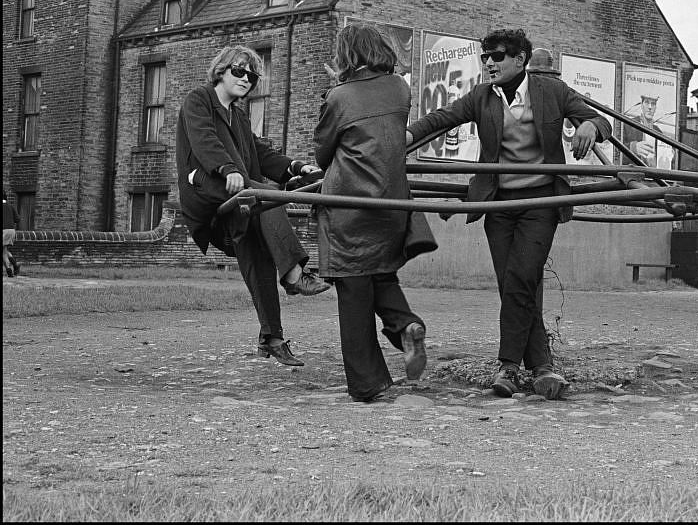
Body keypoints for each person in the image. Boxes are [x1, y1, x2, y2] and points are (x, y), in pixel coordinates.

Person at [406, 28, 612, 400]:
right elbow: (441, 119)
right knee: (513, 284)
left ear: (521, 59)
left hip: (540, 203)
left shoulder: (552, 91)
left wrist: (588, 125)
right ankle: (543, 368)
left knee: (521, 276)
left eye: (497, 56)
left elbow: (602, 122)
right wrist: (404, 137)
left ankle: (509, 366)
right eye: (485, 56)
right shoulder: (481, 97)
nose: (489, 63)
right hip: (498, 203)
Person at [176, 44, 330, 367]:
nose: (246, 79)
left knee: (257, 246)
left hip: (238, 194)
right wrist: (227, 168)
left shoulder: (239, 114)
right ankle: (294, 275)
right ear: (221, 71)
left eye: (253, 76)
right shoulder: (199, 99)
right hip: (206, 190)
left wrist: (297, 167)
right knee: (265, 194)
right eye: (239, 71)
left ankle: (271, 338)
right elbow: (204, 141)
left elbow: (259, 154)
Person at [314, 24, 427, 403]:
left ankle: (369, 383)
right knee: (381, 274)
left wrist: (334, 89)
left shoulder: (339, 96)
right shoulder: (400, 88)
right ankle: (405, 324)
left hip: (348, 204)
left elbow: (322, 152)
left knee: (353, 291)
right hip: (391, 201)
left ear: (349, 55)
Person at [621, 94, 665, 167]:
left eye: (653, 104)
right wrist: (632, 148)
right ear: (642, 105)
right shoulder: (629, 124)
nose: (650, 107)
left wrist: (668, 153)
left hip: (653, 174)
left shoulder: (658, 131)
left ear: (655, 108)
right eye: (647, 103)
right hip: (635, 173)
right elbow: (615, 152)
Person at [3, 191, 20, 277]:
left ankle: (9, 270)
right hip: (11, 230)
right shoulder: (11, 206)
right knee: (5, 250)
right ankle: (16, 266)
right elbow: (17, 219)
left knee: (3, 252)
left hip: (3, 231)